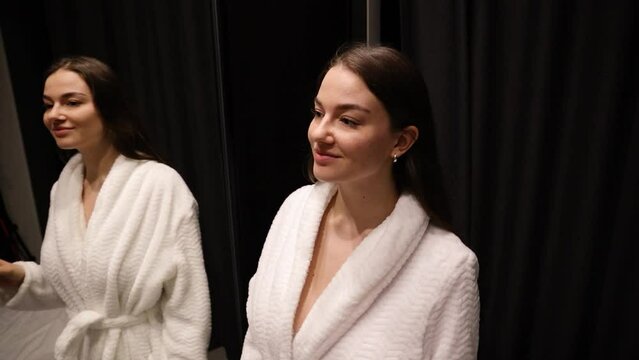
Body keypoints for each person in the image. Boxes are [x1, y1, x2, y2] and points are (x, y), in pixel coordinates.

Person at [241, 43, 480, 359]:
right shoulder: (294, 211)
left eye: (348, 120)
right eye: (318, 113)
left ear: (401, 141)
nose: (320, 133)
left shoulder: (447, 267)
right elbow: (256, 343)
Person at [0, 56, 211, 359]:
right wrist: (13, 274)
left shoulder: (158, 185)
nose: (54, 115)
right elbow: (79, 283)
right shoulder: (64, 188)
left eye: (71, 102)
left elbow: (187, 304)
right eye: (49, 104)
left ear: (109, 108)